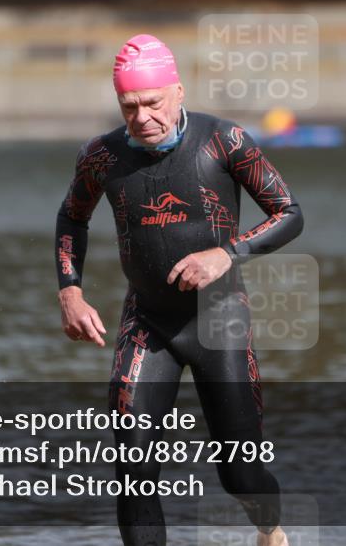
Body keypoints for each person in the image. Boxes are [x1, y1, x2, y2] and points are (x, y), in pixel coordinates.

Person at [55, 34, 303, 546]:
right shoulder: (101, 157)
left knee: (241, 475)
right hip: (147, 324)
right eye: (129, 106)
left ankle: (271, 530)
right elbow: (71, 217)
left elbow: (289, 214)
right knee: (133, 467)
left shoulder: (225, 140)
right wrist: (71, 290)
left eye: (152, 103)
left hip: (219, 319)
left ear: (178, 92)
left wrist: (226, 253)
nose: (142, 117)